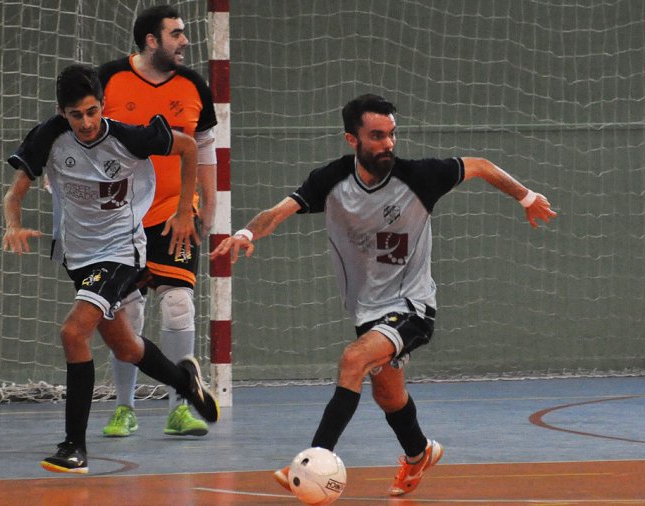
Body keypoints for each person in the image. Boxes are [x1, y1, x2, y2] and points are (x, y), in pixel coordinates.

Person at [210, 94, 557, 497]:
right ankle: (419, 452)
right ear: (352, 140)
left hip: (412, 305)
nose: (388, 144)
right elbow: (278, 211)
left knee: (353, 359)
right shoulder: (331, 181)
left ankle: (313, 458)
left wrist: (526, 196)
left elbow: (478, 165)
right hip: (367, 309)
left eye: (392, 134)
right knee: (388, 394)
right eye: (377, 136)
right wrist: (246, 233)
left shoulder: (418, 177)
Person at [2, 63, 219, 474]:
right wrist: (13, 224)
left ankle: (73, 447)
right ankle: (185, 384)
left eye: (91, 111)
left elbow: (189, 147)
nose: (85, 122)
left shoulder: (128, 138)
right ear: (61, 112)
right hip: (79, 257)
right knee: (126, 346)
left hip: (121, 252)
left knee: (72, 333)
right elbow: (14, 194)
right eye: (75, 114)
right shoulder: (49, 137)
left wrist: (183, 210)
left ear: (102, 105)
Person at [96, 5, 218, 438]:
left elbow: (203, 148)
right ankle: (124, 408)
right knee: (126, 312)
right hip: (120, 217)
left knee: (179, 304)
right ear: (151, 40)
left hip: (176, 212)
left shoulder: (193, 85)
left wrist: (206, 206)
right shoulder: (108, 78)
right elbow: (84, 137)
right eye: (176, 34)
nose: (185, 41)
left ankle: (180, 407)